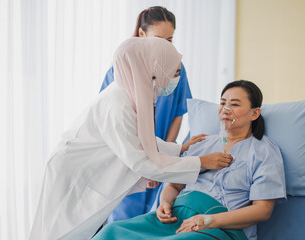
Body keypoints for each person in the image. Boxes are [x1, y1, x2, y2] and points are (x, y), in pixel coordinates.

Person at [29, 37, 233, 240]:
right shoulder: (118, 105)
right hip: (76, 177)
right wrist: (200, 161)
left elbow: (141, 138)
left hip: (90, 172)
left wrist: (179, 149)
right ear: (156, 68)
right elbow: (141, 161)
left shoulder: (132, 93)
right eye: (175, 72)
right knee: (60, 233)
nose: (176, 79)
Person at [94, 80, 286, 240]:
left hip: (219, 228)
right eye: (222, 103)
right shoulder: (200, 144)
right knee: (111, 232)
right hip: (175, 218)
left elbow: (263, 210)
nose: (225, 109)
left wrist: (209, 221)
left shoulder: (264, 151)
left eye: (234, 104)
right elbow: (174, 185)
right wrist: (165, 203)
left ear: (254, 113)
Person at [100, 5, 193, 223]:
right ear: (142, 35)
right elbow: (116, 127)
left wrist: (162, 160)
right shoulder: (119, 71)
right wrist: (145, 162)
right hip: (129, 160)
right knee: (123, 227)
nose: (165, 46)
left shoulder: (176, 67)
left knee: (154, 223)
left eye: (169, 40)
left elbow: (178, 112)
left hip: (163, 157)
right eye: (159, 39)